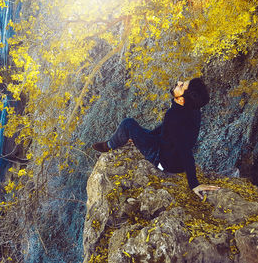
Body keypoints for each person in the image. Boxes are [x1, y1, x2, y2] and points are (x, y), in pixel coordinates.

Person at [92, 78, 220, 199]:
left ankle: (108, 145)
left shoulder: (174, 116)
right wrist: (145, 137)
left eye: (181, 86)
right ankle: (133, 138)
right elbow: (168, 129)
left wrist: (194, 183)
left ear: (182, 100)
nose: (179, 82)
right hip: (170, 153)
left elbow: (184, 149)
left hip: (163, 160)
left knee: (128, 123)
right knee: (139, 132)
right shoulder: (192, 110)